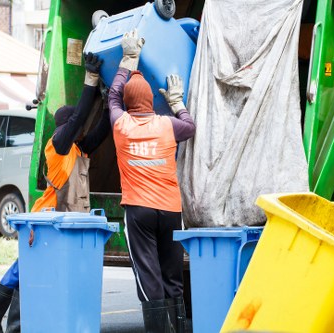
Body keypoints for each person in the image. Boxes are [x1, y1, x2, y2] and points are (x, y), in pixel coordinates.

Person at [0, 52, 111, 333]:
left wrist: (110, 100)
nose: (80, 127)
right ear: (66, 126)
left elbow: (102, 130)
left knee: (29, 270)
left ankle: (1, 324)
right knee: (22, 270)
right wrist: (89, 80)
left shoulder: (77, 149)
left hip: (62, 222)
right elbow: (77, 120)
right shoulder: (58, 145)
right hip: (45, 220)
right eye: (74, 124)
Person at [108, 29, 196, 333]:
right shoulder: (166, 125)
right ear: (150, 101)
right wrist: (176, 102)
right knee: (173, 277)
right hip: (171, 211)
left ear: (128, 104)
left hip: (139, 211)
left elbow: (112, 95)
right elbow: (190, 125)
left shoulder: (121, 125)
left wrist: (127, 60)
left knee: (149, 279)